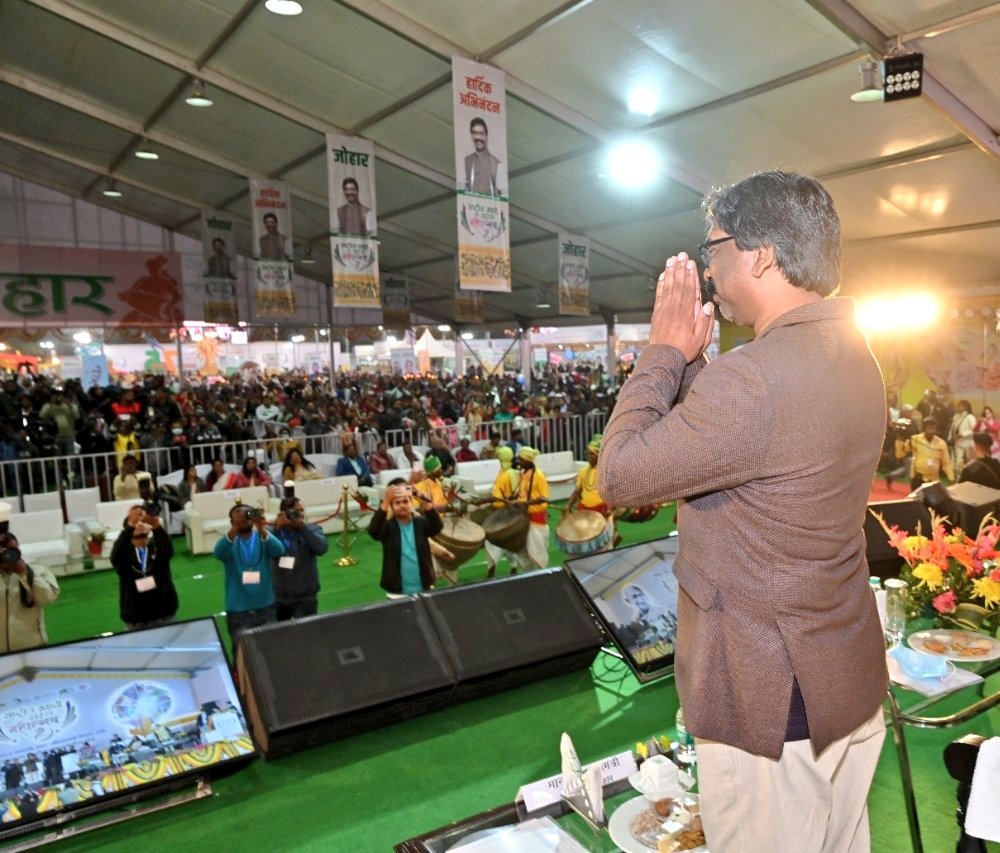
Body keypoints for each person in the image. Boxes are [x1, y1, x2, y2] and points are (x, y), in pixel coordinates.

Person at [598, 171, 887, 852]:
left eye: (714, 248)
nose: (708, 266)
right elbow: (751, 450)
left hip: (770, 707)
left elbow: (620, 472)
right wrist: (701, 368)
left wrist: (665, 352)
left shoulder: (753, 378)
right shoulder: (853, 353)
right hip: (841, 680)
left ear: (758, 253)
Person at [214, 503, 284, 643]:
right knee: (242, 652)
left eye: (247, 514)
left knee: (269, 648)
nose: (244, 517)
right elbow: (219, 553)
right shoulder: (230, 541)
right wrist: (235, 528)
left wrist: (262, 528)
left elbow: (279, 551)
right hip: (239, 609)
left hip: (266, 606)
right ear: (231, 521)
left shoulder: (262, 537)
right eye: (238, 514)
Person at [368, 478, 443, 597]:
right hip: (396, 591)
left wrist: (422, 499)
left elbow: (437, 526)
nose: (402, 505)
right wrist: (387, 500)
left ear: (411, 503)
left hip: (424, 588)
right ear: (391, 507)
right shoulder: (387, 528)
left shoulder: (420, 523)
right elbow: (374, 532)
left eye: (405, 501)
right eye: (397, 503)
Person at [110, 505, 178, 630]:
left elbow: (168, 550)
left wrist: (156, 526)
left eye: (144, 536)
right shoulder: (124, 554)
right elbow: (115, 557)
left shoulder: (156, 548)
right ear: (129, 535)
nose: (141, 538)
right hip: (136, 617)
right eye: (136, 536)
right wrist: (130, 525)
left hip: (164, 613)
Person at [270, 492, 328, 620]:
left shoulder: (313, 529)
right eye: (295, 511)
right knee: (276, 636)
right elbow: (263, 550)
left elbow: (322, 549)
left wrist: (303, 527)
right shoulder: (272, 533)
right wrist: (276, 529)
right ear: (283, 513)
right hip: (277, 596)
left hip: (305, 597)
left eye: (302, 510)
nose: (300, 514)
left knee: (306, 636)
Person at [0, 532, 60, 652]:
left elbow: (48, 597)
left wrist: (24, 574)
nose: (7, 555)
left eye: (11, 550)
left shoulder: (37, 571)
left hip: (32, 646)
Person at [564, 433, 615, 550]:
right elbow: (577, 491)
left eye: (592, 454)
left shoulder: (607, 471)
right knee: (588, 545)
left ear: (599, 455)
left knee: (605, 547)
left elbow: (614, 493)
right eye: (587, 453)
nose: (588, 456)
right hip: (585, 513)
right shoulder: (583, 471)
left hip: (602, 513)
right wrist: (568, 505)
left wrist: (610, 509)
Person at [482, 445, 521, 577]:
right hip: (503, 513)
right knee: (508, 542)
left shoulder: (508, 474)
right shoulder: (506, 472)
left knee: (493, 541)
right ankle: (513, 568)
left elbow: (511, 495)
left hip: (503, 513)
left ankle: (491, 570)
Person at [513, 446, 550, 570]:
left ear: (529, 460)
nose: (519, 461)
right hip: (523, 519)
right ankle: (529, 578)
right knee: (523, 553)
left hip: (536, 520)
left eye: (521, 459)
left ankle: (543, 576)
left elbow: (545, 498)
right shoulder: (523, 475)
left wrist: (525, 503)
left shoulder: (538, 475)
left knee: (538, 553)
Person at [464, 117, 506, 197]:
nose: (478, 137)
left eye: (481, 133)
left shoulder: (497, 164)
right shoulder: (466, 161)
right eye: (475, 133)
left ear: (486, 136)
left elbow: (502, 196)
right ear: (471, 136)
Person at [909, 416, 953, 491]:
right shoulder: (915, 439)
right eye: (929, 429)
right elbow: (903, 452)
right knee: (915, 501)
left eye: (933, 429)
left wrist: (951, 477)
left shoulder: (941, 443)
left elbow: (946, 463)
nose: (931, 431)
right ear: (924, 428)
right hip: (917, 477)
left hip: (933, 480)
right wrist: (901, 439)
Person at [949, 399, 976, 475]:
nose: (956, 407)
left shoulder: (970, 417)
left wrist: (962, 434)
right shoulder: (956, 416)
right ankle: (959, 479)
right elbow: (953, 428)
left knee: (969, 463)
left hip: (968, 443)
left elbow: (974, 430)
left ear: (965, 407)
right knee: (958, 462)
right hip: (958, 442)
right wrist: (951, 436)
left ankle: (970, 479)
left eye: (959, 405)